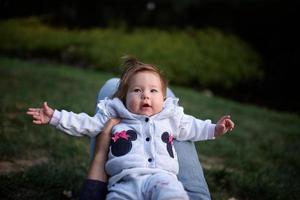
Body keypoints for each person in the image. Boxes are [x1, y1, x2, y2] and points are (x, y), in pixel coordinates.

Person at [27, 56, 235, 199]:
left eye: (153, 91)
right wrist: (55, 116)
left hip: (162, 179)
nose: (145, 95)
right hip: (123, 182)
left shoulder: (171, 117)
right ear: (124, 98)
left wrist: (215, 129)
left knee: (173, 196)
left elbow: (193, 127)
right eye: (137, 90)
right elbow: (85, 124)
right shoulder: (115, 115)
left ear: (164, 98)